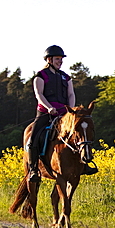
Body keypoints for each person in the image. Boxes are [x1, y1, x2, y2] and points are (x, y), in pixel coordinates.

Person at [26, 45, 76, 181]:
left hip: (63, 114)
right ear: (49, 60)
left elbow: (71, 94)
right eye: (57, 59)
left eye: (61, 59)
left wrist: (70, 111)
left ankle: (83, 164)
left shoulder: (66, 77)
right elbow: (39, 94)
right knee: (33, 138)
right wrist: (48, 108)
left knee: (81, 133)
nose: (60, 61)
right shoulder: (40, 76)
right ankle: (33, 169)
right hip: (45, 113)